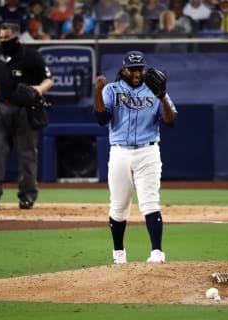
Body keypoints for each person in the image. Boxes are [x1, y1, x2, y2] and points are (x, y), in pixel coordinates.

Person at [93, 51, 177, 264]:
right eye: (132, 69)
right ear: (124, 70)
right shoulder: (111, 90)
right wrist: (98, 90)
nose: (137, 73)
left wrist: (162, 97)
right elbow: (101, 118)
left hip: (148, 151)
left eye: (140, 68)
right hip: (120, 151)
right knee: (118, 206)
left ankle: (157, 252)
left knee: (150, 202)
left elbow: (170, 121)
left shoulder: (156, 89)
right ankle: (119, 253)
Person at [0, 22, 53, 211]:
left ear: (17, 38)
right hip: (1, 109)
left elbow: (48, 79)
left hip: (24, 110)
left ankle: (27, 195)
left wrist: (38, 90)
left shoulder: (30, 56)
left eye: (6, 38)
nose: (3, 41)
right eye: (1, 37)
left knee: (27, 154)